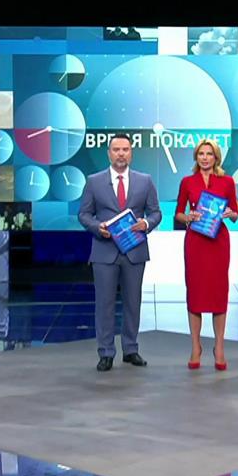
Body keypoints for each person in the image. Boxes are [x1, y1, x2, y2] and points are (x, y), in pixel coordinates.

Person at [77, 133, 162, 371]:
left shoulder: (145, 181)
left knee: (133, 303)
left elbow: (156, 213)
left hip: (134, 251)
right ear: (109, 153)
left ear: (131, 153)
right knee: (104, 304)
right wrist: (98, 227)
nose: (121, 154)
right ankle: (106, 352)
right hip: (104, 252)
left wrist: (146, 223)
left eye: (125, 149)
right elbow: (84, 214)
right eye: (116, 150)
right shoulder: (94, 181)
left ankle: (130, 349)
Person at [174, 139, 238, 371]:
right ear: (196, 157)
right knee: (196, 293)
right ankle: (196, 346)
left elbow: (236, 214)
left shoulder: (227, 181)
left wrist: (230, 213)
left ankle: (219, 347)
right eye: (201, 153)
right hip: (196, 242)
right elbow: (178, 214)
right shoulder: (187, 181)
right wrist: (188, 217)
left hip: (218, 242)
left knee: (218, 293)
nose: (204, 158)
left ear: (216, 157)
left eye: (209, 154)